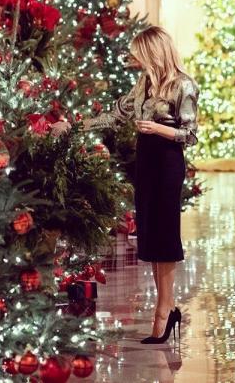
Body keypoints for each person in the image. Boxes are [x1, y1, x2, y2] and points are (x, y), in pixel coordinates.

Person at [52, 26, 199, 344]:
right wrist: (74, 125)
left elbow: (190, 135)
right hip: (145, 163)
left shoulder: (183, 86)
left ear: (153, 52)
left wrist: (159, 130)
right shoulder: (144, 84)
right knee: (151, 235)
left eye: (138, 53)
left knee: (166, 235)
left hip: (168, 162)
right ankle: (167, 308)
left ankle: (164, 311)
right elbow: (115, 115)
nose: (134, 59)